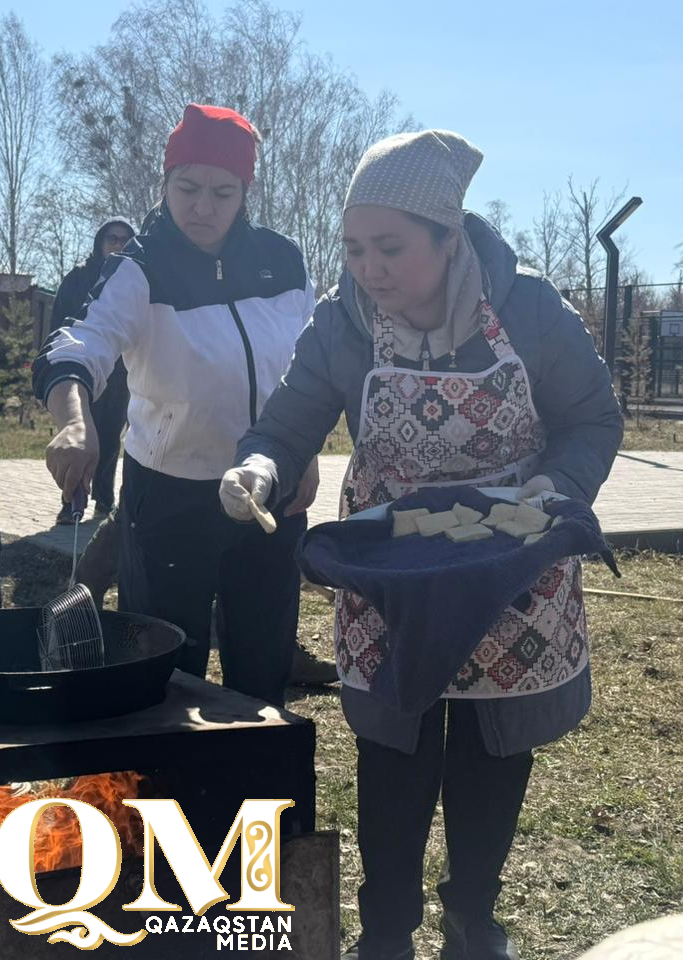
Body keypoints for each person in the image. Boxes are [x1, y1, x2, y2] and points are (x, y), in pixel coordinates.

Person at [219, 130, 623, 959]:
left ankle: (476, 920)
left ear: (450, 237)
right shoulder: (344, 322)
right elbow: (289, 420)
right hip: (390, 575)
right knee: (393, 755)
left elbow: (591, 419)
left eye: (391, 248)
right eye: (357, 248)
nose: (371, 268)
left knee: (491, 749)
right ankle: (387, 933)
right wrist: (256, 468)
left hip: (513, 567)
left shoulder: (530, 311)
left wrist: (557, 490)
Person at [32, 103, 318, 707]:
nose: (202, 206)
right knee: (164, 672)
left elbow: (312, 368)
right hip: (170, 500)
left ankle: (251, 793)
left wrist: (304, 450)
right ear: (164, 184)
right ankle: (159, 797)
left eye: (222, 191)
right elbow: (76, 348)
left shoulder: (283, 262)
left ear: (246, 191)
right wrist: (76, 422)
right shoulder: (137, 269)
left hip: (270, 491)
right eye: (186, 187)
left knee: (262, 667)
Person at [48, 217, 137, 523]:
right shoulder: (78, 278)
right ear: (100, 242)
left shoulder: (134, 279)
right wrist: (54, 367)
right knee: (80, 437)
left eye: (124, 239)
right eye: (111, 238)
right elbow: (59, 323)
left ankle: (104, 499)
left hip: (121, 376)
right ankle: (70, 503)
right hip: (80, 373)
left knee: (110, 438)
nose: (118, 244)